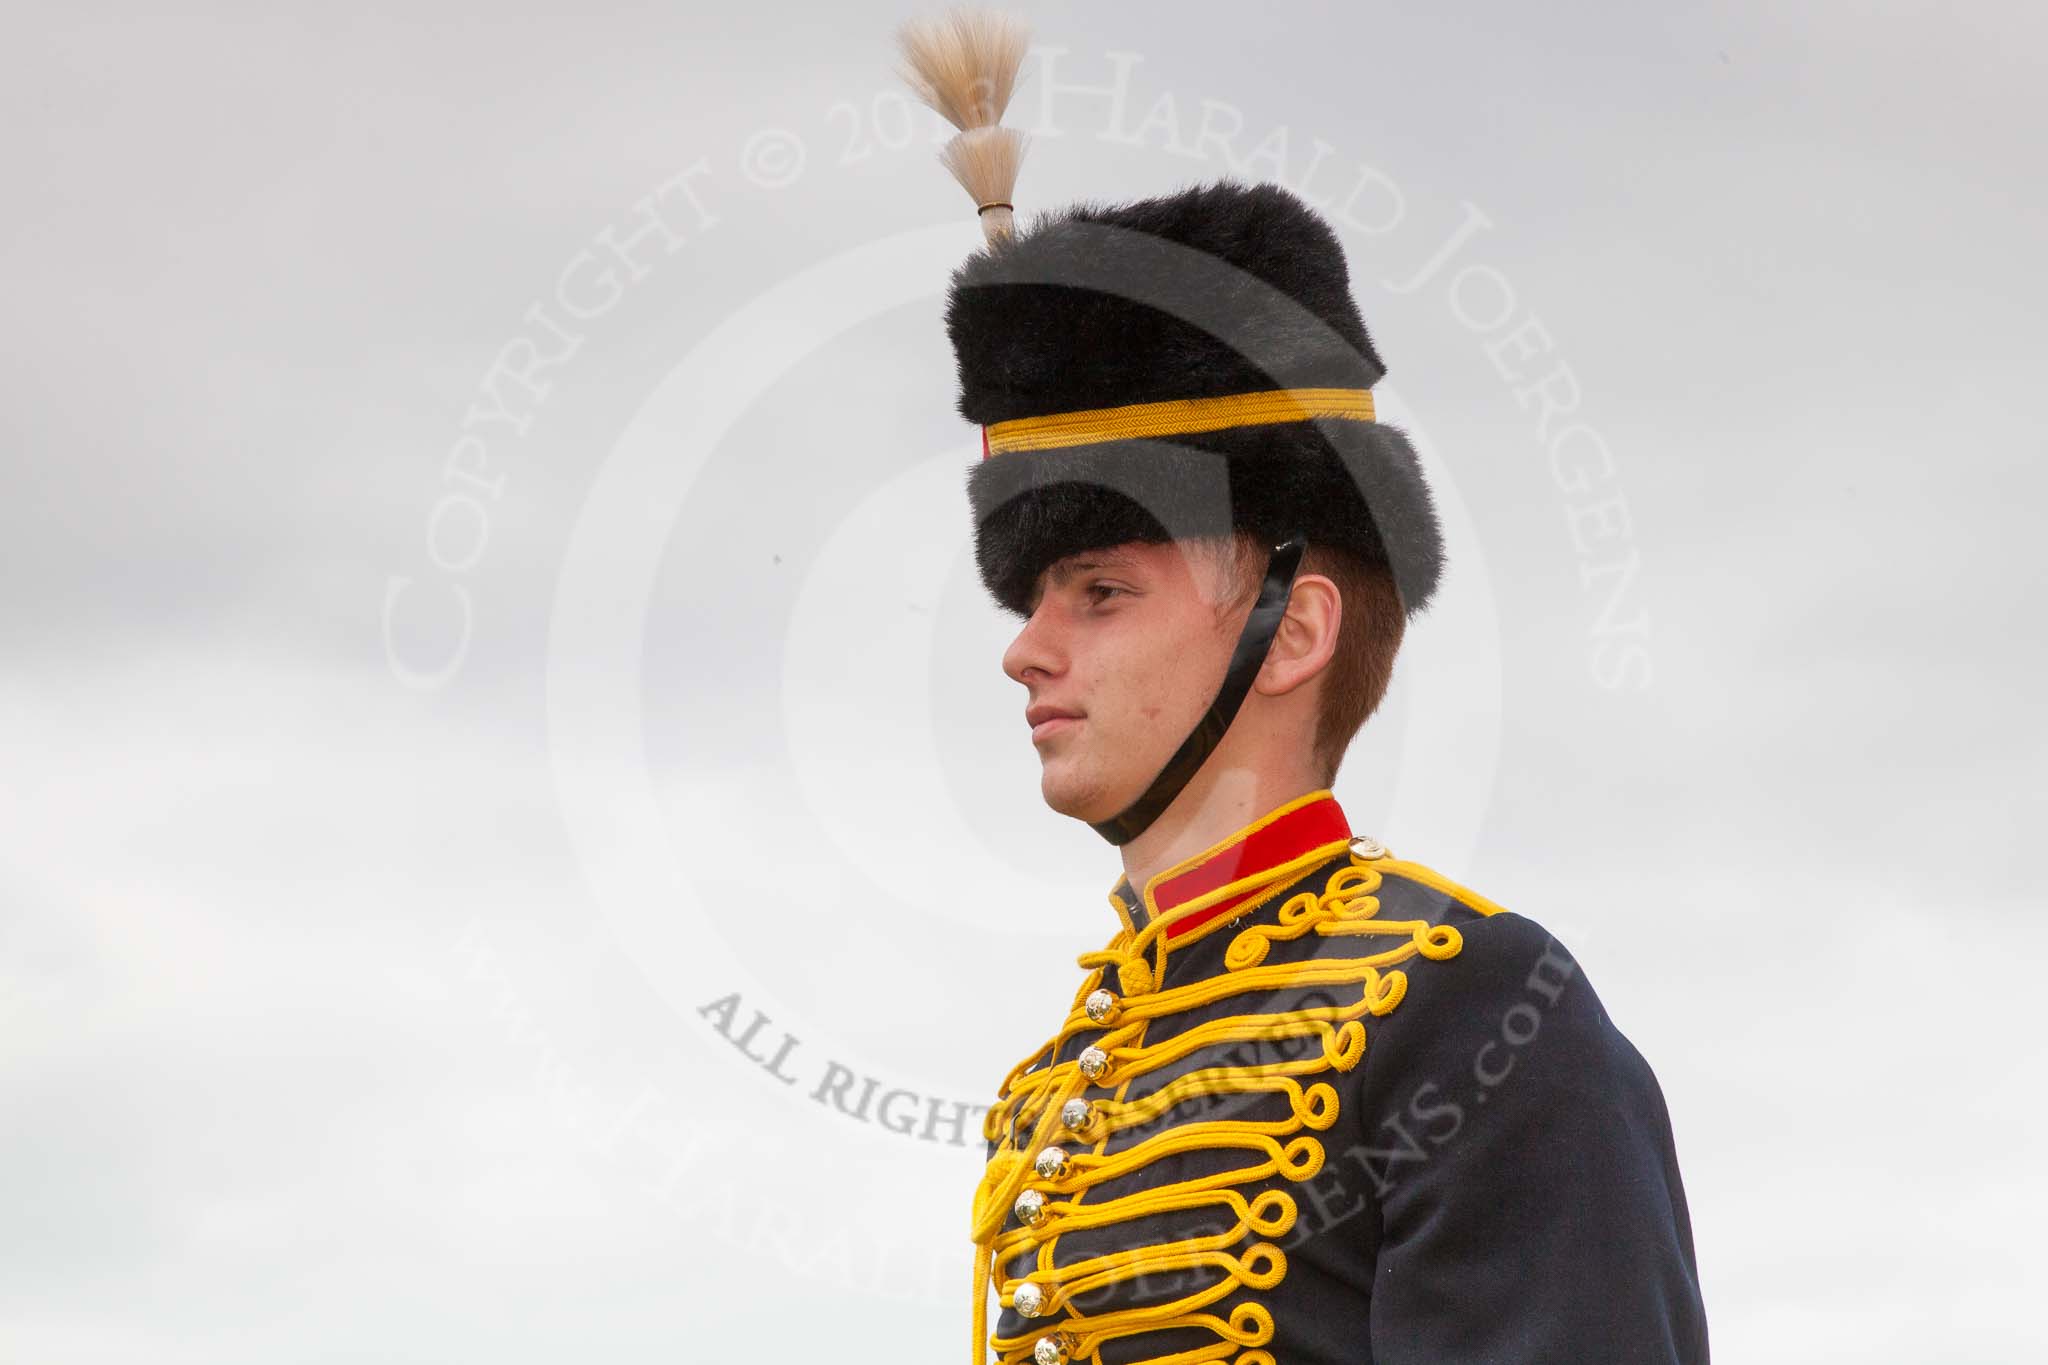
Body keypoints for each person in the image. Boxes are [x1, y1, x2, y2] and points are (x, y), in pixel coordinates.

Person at [928, 169, 1709, 1365]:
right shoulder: (1059, 1083)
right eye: (1034, 602)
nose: (1025, 653)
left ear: (1290, 634)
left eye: (1098, 593)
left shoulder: (1469, 1011)